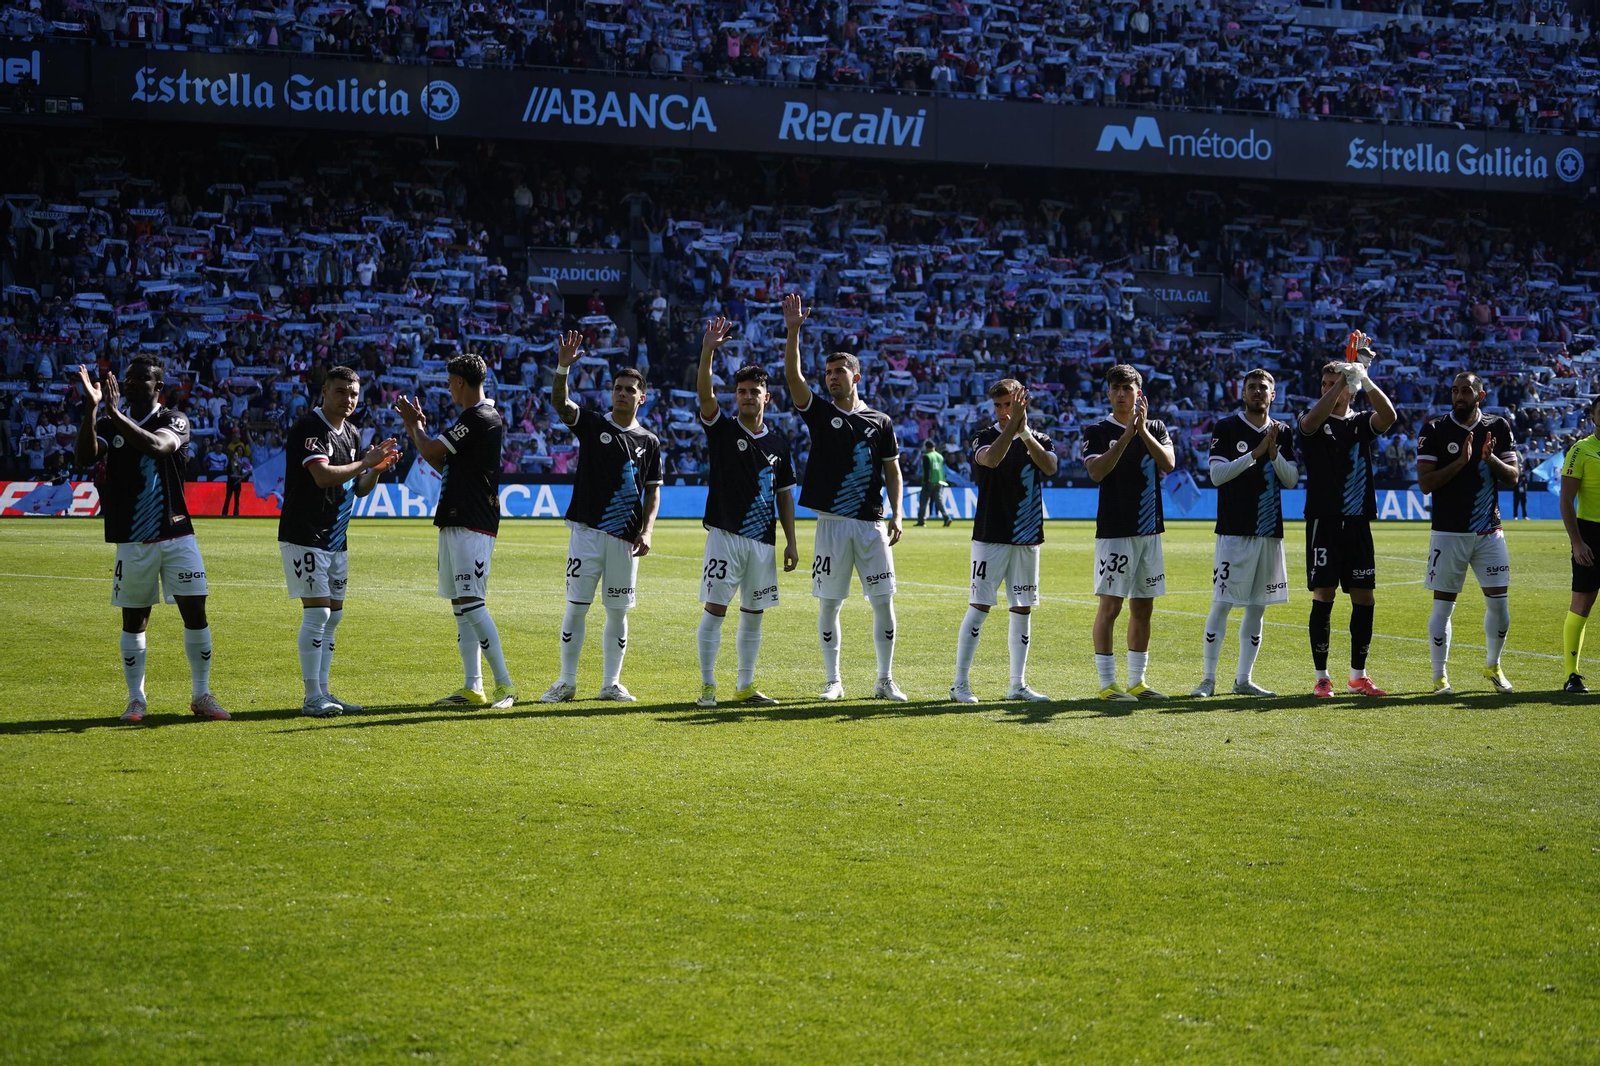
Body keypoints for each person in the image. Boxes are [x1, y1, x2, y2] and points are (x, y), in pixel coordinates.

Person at [73, 360, 229, 723]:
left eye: (142, 377)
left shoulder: (174, 420)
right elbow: (83, 456)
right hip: (132, 538)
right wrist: (93, 409)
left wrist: (112, 414)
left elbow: (158, 447)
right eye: (127, 378)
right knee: (135, 619)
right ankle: (136, 700)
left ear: (159, 385)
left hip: (177, 534)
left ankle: (202, 694)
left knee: (196, 613)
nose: (131, 383)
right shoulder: (110, 421)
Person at [783, 292, 907, 702]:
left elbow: (893, 469)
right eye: (827, 373)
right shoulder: (820, 413)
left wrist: (898, 513)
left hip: (872, 524)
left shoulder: (881, 421)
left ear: (857, 377)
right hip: (832, 524)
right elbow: (793, 379)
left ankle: (885, 679)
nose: (830, 377)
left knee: (884, 604)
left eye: (839, 372)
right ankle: (833, 679)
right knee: (829, 605)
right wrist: (793, 331)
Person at [541, 331, 662, 703]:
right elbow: (560, 403)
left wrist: (648, 531)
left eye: (629, 389)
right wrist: (563, 366)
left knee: (617, 611)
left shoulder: (650, 442)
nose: (622, 393)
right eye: (617, 388)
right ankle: (566, 681)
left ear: (642, 397)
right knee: (576, 607)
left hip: (625, 539)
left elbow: (653, 489)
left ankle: (611, 683)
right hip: (588, 532)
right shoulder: (593, 424)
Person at [394, 354, 516, 709]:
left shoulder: (480, 417)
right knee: (461, 606)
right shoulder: (473, 419)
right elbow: (439, 460)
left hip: (472, 520)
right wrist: (416, 430)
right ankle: (472, 687)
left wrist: (413, 426)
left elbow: (430, 447)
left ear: (461, 382)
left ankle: (504, 686)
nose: (448, 388)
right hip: (455, 517)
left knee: (473, 604)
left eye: (450, 382)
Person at [278, 366, 399, 717]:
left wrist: (375, 469)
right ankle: (312, 695)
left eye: (354, 394)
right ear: (324, 391)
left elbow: (357, 488)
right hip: (305, 533)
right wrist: (365, 461)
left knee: (333, 618)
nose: (348, 399)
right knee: (318, 612)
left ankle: (326, 691)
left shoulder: (352, 432)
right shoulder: (309, 427)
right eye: (341, 391)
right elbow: (320, 476)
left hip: (336, 537)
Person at [693, 316, 800, 707]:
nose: (747, 397)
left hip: (763, 541)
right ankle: (707, 686)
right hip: (724, 535)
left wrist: (790, 541)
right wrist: (708, 351)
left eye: (754, 391)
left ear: (766, 397)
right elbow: (705, 395)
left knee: (754, 614)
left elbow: (785, 496)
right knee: (716, 610)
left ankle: (745, 685)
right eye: (741, 391)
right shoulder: (722, 429)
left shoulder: (779, 444)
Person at [1296, 333, 1397, 698]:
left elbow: (1390, 416)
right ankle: (1322, 677)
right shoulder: (1311, 418)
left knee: (1364, 598)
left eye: (1334, 383)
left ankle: (1358, 675)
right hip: (1324, 520)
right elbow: (1309, 424)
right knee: (1323, 596)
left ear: (1351, 391)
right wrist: (1343, 376)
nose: (1328, 388)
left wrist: (1364, 377)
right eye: (1323, 383)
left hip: (1357, 522)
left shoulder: (1359, 422)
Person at [949, 379, 1059, 704]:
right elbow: (992, 459)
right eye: (997, 406)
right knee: (980, 607)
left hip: (1027, 537)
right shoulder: (983, 437)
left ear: (1023, 402)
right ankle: (959, 684)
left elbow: (1050, 467)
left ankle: (1017, 685)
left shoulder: (1039, 438)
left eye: (1008, 404)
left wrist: (1023, 432)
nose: (1002, 411)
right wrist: (1013, 427)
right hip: (991, 535)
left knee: (1022, 609)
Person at [1193, 368, 1298, 698]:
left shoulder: (1283, 431)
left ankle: (1243, 679)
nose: (1257, 392)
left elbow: (1292, 479)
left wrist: (1273, 453)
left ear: (1273, 394)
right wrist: (1254, 454)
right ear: (1243, 393)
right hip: (1234, 530)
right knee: (1222, 603)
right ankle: (1208, 679)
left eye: (1263, 387)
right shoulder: (1226, 427)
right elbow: (1217, 475)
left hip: (1268, 532)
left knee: (1258, 607)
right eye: (1251, 387)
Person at [1416, 371, 1520, 694]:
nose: (1459, 396)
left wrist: (1489, 460)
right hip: (1449, 534)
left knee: (1500, 606)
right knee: (1443, 607)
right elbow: (1425, 484)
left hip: (1490, 531)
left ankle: (1493, 664)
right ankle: (1439, 675)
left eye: (1466, 391)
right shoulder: (1434, 430)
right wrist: (1461, 461)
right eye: (1455, 391)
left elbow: (1514, 476)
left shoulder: (1498, 427)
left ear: (1480, 395)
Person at [1080, 364, 1175, 702]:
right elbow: (1095, 471)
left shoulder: (1158, 427)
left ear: (1139, 393)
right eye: (1116, 388)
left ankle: (1138, 682)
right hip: (1116, 531)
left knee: (1143, 607)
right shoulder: (1096, 430)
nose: (1122, 394)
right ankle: (1108, 685)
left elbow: (1169, 464)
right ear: (1109, 393)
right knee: (1111, 607)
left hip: (1150, 531)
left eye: (1128, 388)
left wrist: (1143, 432)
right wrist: (1124, 439)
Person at [1559, 396, 1600, 693]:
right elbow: (1565, 500)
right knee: (1581, 605)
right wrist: (1577, 542)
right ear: (1593, 416)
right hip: (1592, 536)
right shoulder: (1581, 450)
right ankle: (1571, 675)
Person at [916, 439, 951, 526]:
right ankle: (946, 517)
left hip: (929, 482)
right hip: (939, 481)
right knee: (939, 502)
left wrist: (927, 482)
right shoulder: (940, 456)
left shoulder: (927, 456)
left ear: (927, 447)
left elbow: (927, 471)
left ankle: (921, 521)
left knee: (923, 501)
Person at [223, 448, 246, 516]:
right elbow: (230, 475)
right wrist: (239, 477)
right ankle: (225, 513)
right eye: (234, 455)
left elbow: (241, 473)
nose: (236, 456)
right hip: (231, 483)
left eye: (237, 455)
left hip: (238, 484)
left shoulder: (239, 464)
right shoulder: (230, 465)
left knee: (237, 500)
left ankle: (236, 513)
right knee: (228, 498)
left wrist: (243, 475)